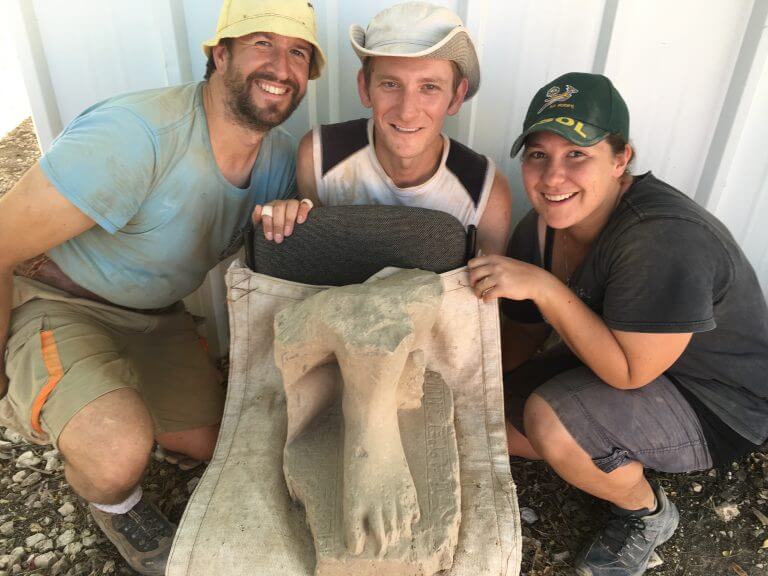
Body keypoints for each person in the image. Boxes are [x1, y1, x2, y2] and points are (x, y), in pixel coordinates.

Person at [0, 0, 325, 573]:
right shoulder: (136, 134)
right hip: (60, 299)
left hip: (157, 315)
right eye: (261, 45)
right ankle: (114, 503)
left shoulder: (278, 158)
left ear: (307, 77)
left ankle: (111, 398)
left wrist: (296, 218)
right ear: (219, 56)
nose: (280, 65)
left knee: (222, 444)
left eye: (297, 52)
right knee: (116, 448)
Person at [468, 72, 768, 575]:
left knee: (549, 421)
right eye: (538, 155)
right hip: (627, 356)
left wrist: (545, 287)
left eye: (577, 154)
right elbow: (522, 332)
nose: (553, 178)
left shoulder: (659, 237)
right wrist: (473, 384)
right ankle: (607, 444)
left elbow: (629, 374)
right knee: (483, 416)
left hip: (716, 399)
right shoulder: (540, 227)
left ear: (621, 158)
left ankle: (645, 514)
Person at [254, 1, 512, 256]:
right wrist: (283, 219)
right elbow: (315, 258)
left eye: (429, 87)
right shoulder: (320, 155)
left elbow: (485, 295)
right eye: (390, 84)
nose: (407, 111)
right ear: (365, 88)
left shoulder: (486, 191)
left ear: (456, 96)